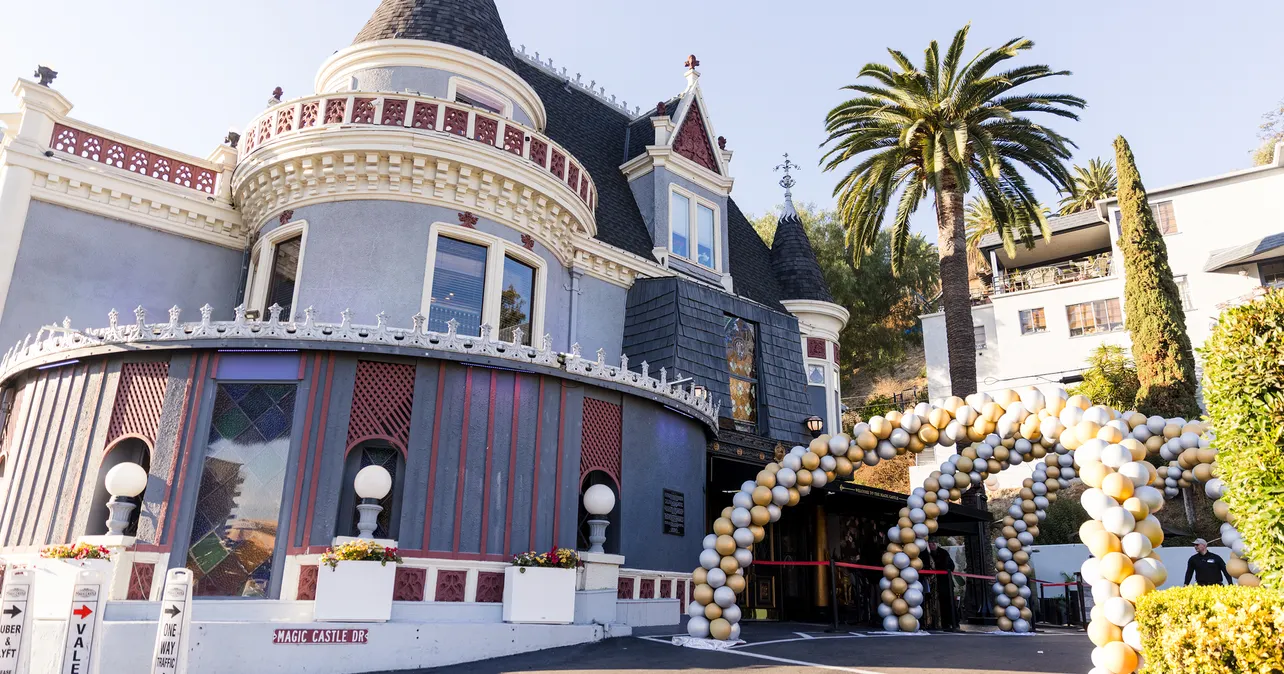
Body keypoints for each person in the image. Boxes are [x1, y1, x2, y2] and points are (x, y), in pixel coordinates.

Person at [926, 541, 958, 630]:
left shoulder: (943, 553)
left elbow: (951, 566)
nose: (931, 545)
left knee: (947, 603)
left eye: (933, 543)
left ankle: (951, 623)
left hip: (944, 582)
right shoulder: (928, 554)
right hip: (935, 584)